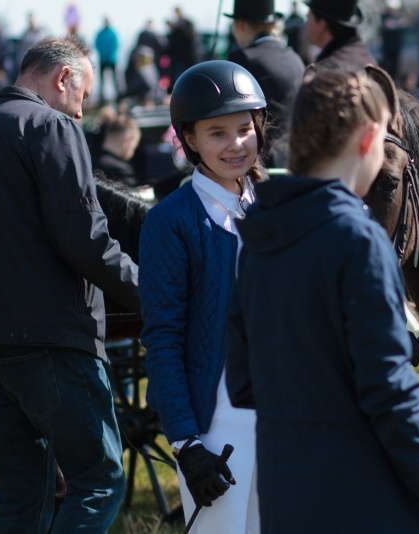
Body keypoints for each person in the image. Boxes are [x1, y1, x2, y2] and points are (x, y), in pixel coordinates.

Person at [225, 65, 419, 534]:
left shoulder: (260, 238)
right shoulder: (357, 238)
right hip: (370, 502)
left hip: (287, 498)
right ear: (370, 138)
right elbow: (388, 389)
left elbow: (244, 382)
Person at [0, 35, 139, 532]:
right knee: (100, 477)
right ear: (63, 78)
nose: (81, 112)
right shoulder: (52, 126)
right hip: (47, 339)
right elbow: (86, 237)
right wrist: (152, 292)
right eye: (82, 97)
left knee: (22, 493)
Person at [139, 60, 267, 534]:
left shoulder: (277, 206)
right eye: (217, 133)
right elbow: (163, 337)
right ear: (190, 139)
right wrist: (187, 443)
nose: (236, 144)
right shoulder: (170, 221)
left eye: (244, 129)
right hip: (216, 425)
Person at [225, 0, 305, 164]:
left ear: (241, 25)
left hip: (259, 163)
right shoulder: (295, 58)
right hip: (295, 159)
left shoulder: (243, 59)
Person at [305, 0, 377, 71]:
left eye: (308, 16)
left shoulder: (327, 71)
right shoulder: (367, 60)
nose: (306, 23)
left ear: (321, 24)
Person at [91, 114, 142, 187]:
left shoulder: (88, 160)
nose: (132, 153)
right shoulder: (122, 170)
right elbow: (132, 193)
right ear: (125, 141)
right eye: (133, 147)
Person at [167, 6, 201, 88]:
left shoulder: (185, 24)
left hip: (188, 55)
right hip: (180, 56)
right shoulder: (180, 24)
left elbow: (190, 38)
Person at [94, 16, 120, 104]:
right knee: (102, 81)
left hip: (111, 59)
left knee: (114, 79)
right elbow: (97, 44)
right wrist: (104, 54)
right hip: (104, 59)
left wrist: (107, 54)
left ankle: (118, 96)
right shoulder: (101, 33)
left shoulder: (112, 33)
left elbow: (115, 45)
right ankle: (102, 98)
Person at [380, 0, 407, 80]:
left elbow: (403, 29)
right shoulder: (384, 17)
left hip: (396, 47)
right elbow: (385, 28)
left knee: (396, 68)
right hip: (387, 47)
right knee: (387, 67)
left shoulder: (399, 17)